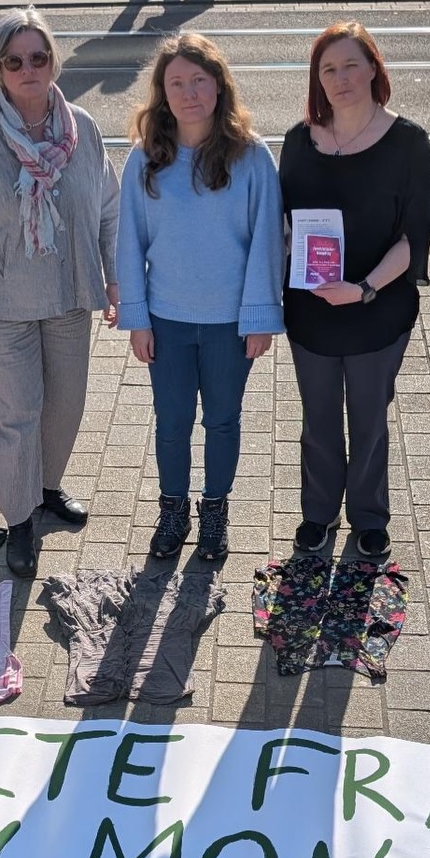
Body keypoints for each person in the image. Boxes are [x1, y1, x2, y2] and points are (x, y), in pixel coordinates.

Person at [0, 9, 120, 579]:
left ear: (53, 61)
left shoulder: (81, 128)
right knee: (13, 416)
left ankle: (45, 492)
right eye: (14, 60)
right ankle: (18, 523)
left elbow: (109, 210)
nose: (28, 69)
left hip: (68, 294)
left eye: (38, 57)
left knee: (65, 406)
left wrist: (114, 279)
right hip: (0, 306)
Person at [117, 34, 283, 565]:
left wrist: (261, 317)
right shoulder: (145, 159)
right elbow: (129, 245)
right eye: (176, 83)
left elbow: (266, 242)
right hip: (166, 320)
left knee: (223, 421)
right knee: (171, 422)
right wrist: (137, 320)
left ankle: (215, 511)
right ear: (162, 93)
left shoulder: (252, 156)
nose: (189, 93)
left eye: (199, 81)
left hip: (230, 323)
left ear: (218, 86)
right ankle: (173, 511)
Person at [277, 22, 430, 561]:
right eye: (328, 70)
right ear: (316, 81)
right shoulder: (299, 140)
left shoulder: (409, 142)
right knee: (317, 419)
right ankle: (318, 514)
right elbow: (285, 222)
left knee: (368, 418)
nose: (340, 79)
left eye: (350, 65)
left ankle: (368, 516)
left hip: (377, 309)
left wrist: (364, 288)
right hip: (312, 309)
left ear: (373, 68)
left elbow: (414, 238)